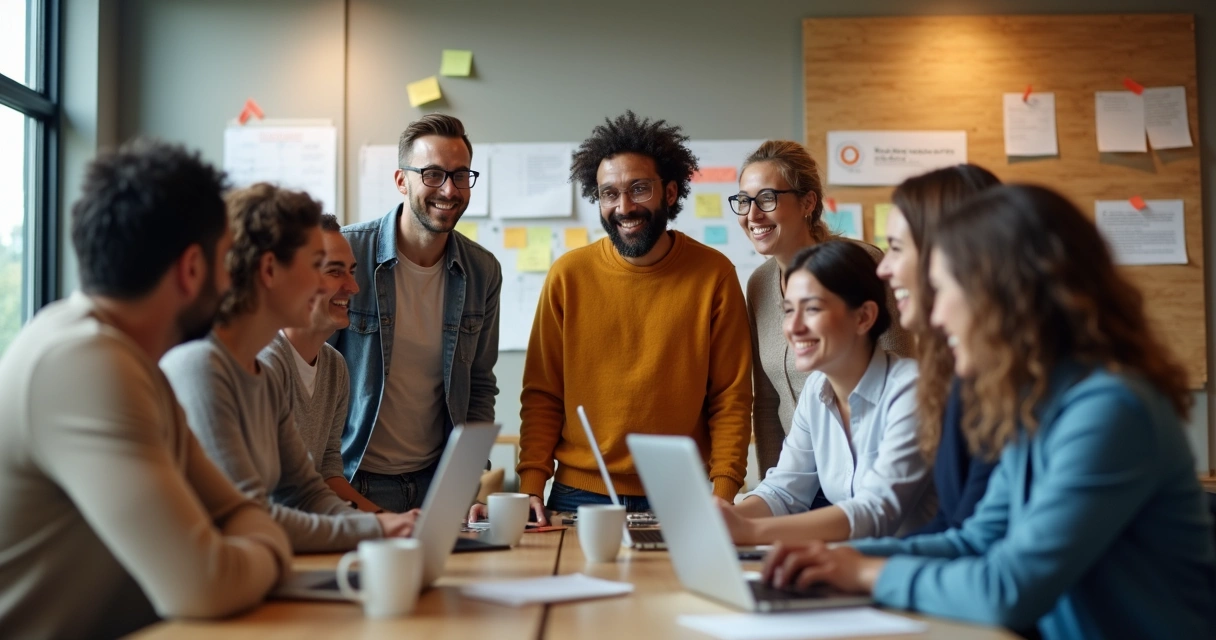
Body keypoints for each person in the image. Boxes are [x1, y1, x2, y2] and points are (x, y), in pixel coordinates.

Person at [760, 185, 1216, 640]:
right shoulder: (1033, 402)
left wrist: (863, 573)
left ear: (1006, 295)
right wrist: (841, 558)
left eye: (946, 289)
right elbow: (974, 541)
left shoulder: (1112, 411)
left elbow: (1008, 588)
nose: (938, 318)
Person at [0, 139, 291, 638]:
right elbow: (207, 584)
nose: (229, 281)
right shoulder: (84, 362)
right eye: (225, 261)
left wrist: (250, 543)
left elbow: (238, 512)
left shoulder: (132, 361)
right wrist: (272, 552)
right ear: (191, 269)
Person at [481, 111, 752, 525]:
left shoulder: (714, 275)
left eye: (639, 189)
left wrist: (724, 492)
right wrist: (532, 484)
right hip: (577, 495)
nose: (624, 207)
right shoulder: (568, 276)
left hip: (683, 492)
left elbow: (730, 397)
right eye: (609, 193)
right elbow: (543, 394)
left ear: (671, 191)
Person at [162, 183, 417, 553]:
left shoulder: (257, 375)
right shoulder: (203, 366)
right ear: (269, 269)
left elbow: (307, 489)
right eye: (318, 266)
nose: (340, 285)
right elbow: (250, 516)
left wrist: (382, 524)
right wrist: (375, 530)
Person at [334, 114, 501, 513]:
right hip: (353, 482)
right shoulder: (347, 255)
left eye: (461, 175)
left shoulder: (482, 271)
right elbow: (305, 377)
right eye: (432, 174)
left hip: (436, 488)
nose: (449, 189)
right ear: (401, 180)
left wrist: (468, 485)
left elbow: (479, 386)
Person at [718, 241, 933, 544]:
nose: (793, 327)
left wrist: (750, 531)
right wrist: (724, 519)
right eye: (789, 310)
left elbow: (876, 511)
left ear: (863, 317)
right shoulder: (817, 389)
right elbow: (783, 491)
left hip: (911, 573)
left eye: (813, 309)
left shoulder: (912, 391)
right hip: (848, 567)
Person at [734, 140, 913, 474]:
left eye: (767, 199)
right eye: (744, 201)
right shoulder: (758, 283)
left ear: (808, 202)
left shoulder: (860, 263)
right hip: (799, 474)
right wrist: (777, 495)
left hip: (867, 468)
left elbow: (899, 371)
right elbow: (769, 400)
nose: (752, 215)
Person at [875, 164, 1002, 534]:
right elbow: (956, 527)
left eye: (896, 249)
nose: (883, 269)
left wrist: (854, 565)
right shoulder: (958, 377)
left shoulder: (1037, 391)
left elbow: (984, 551)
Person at [260, 214, 382, 513]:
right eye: (335, 272)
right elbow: (272, 499)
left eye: (351, 272)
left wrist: (386, 521)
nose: (353, 287)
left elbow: (328, 474)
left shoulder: (334, 367)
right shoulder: (264, 366)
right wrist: (376, 525)